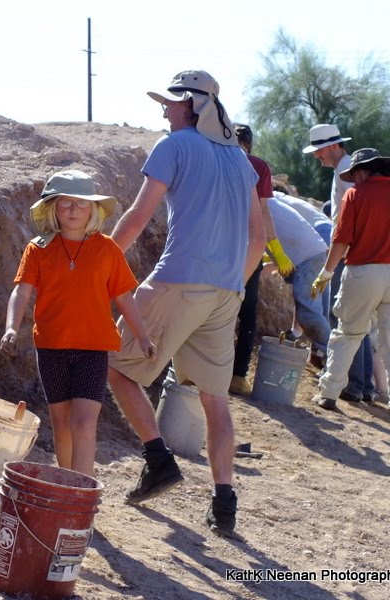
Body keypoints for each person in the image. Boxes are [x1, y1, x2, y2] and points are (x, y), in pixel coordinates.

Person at [107, 70, 265, 538]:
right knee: (215, 400)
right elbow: (258, 237)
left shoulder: (173, 146)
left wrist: (97, 268)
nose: (164, 110)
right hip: (226, 292)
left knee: (117, 367)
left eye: (171, 103)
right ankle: (224, 502)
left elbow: (137, 217)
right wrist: (231, 283)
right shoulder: (241, 161)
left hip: (179, 279)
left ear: (192, 106)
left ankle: (158, 461)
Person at [0, 170, 155, 476]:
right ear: (53, 207)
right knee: (62, 422)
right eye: (66, 203)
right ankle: (65, 485)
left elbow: (125, 297)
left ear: (94, 210)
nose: (74, 210)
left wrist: (143, 337)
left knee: (83, 423)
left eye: (82, 204)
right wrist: (10, 327)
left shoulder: (108, 249)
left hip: (92, 350)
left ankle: (79, 490)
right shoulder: (38, 248)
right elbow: (22, 289)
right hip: (51, 348)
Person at [310, 148, 390, 431]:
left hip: (363, 273)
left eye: (354, 175)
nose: (353, 180)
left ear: (363, 171)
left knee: (347, 334)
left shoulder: (354, 195)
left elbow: (342, 240)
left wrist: (326, 272)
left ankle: (329, 394)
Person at [303, 124, 374, 402]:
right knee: (357, 321)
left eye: (318, 150)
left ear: (333, 145)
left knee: (343, 318)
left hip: (349, 253)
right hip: (352, 252)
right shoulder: (344, 169)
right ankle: (363, 385)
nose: (316, 156)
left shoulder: (347, 170)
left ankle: (352, 385)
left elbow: (357, 216)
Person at [230, 124, 293, 396]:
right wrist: (276, 252)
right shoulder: (258, 166)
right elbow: (264, 213)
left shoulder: (215, 159)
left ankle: (202, 371)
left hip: (215, 245)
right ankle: (238, 376)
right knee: (247, 311)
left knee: (209, 305)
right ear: (249, 143)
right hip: (249, 249)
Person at [262, 198, 331, 358]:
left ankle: (334, 356)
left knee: (308, 307)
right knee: (314, 304)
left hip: (317, 237)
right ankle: (324, 353)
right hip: (321, 239)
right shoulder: (280, 202)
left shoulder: (266, 199)